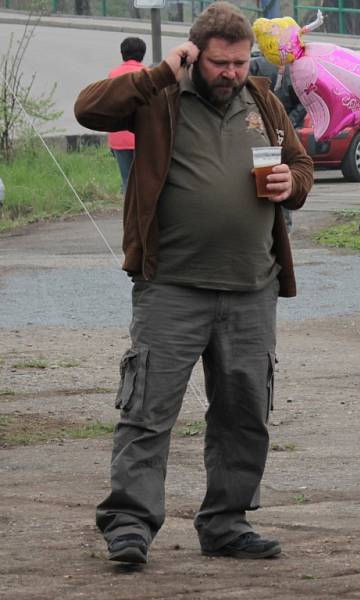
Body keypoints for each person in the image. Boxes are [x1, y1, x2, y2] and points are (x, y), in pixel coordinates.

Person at [74, 1, 313, 566]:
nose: (232, 73)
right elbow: (89, 110)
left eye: (240, 62)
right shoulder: (159, 96)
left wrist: (291, 182)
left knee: (244, 412)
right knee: (149, 408)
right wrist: (162, 70)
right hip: (172, 287)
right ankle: (129, 525)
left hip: (251, 286)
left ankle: (226, 523)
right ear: (194, 53)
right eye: (220, 63)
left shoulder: (263, 100)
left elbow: (301, 167)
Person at [249, 54, 307, 232]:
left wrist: (286, 121)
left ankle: (283, 225)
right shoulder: (256, 65)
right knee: (270, 178)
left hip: (279, 133)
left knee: (280, 176)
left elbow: (302, 102)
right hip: (260, 132)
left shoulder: (295, 69)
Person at [107, 37, 146, 195]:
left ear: (122, 53)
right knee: (145, 182)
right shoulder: (148, 74)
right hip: (143, 135)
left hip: (119, 136)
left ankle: (127, 217)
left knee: (127, 182)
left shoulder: (112, 75)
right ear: (143, 54)